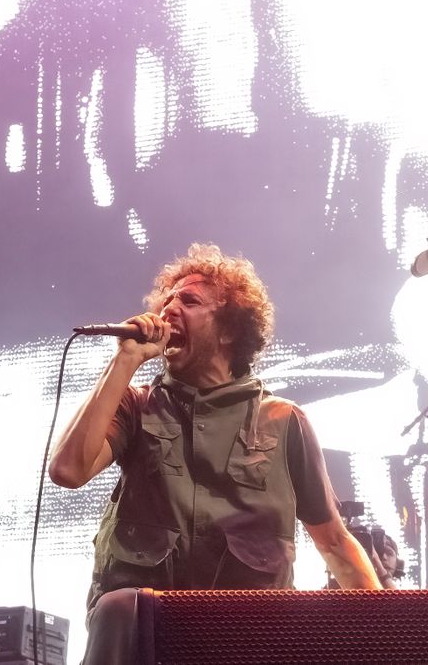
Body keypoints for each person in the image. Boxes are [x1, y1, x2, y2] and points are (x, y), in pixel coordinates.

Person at [48, 243, 381, 663]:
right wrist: (124, 362)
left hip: (248, 637)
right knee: (117, 608)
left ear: (228, 329)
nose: (168, 309)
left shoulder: (283, 420)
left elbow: (333, 540)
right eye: (166, 300)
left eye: (188, 300)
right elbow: (68, 470)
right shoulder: (137, 404)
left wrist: (387, 632)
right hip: (147, 634)